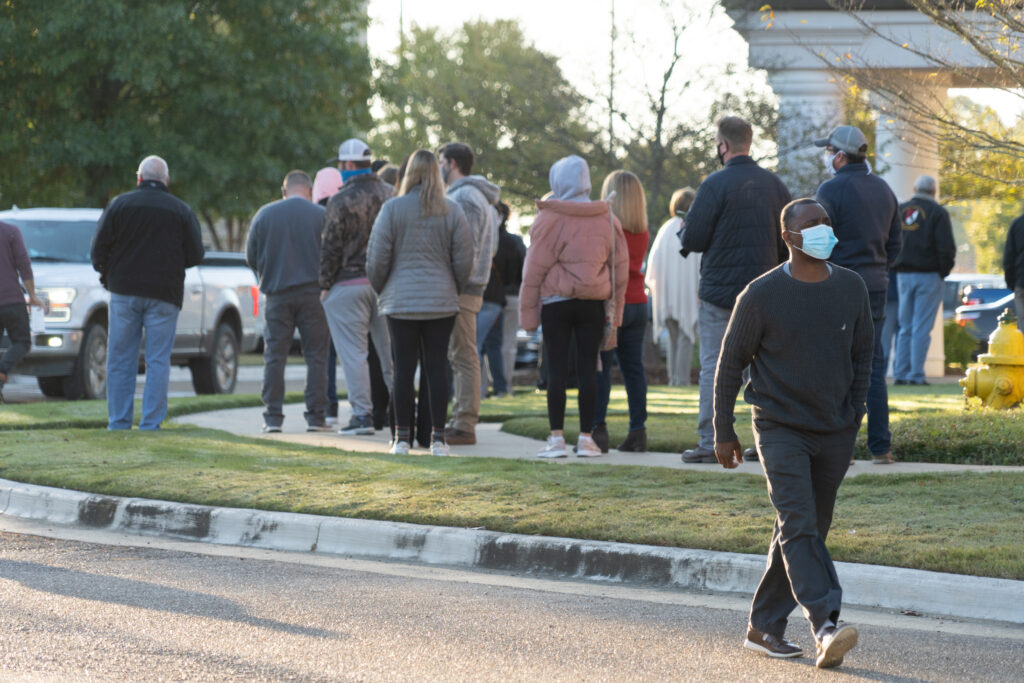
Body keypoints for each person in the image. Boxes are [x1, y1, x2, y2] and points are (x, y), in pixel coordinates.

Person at [714, 198, 871, 670]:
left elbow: (864, 355)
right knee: (799, 523)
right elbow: (729, 365)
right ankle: (826, 626)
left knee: (804, 529)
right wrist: (723, 429)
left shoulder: (851, 286)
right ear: (788, 237)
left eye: (826, 221)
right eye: (811, 223)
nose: (823, 229)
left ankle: (763, 627)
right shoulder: (760, 295)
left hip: (835, 428)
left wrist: (855, 413)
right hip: (779, 426)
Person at [680, 116, 791, 463]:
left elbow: (694, 239)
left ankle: (711, 441)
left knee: (714, 367)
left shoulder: (714, 185)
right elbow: (787, 242)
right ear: (749, 142)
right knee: (767, 369)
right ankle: (769, 441)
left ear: (723, 145)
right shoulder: (775, 186)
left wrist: (685, 229)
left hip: (719, 294)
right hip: (764, 293)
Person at [366, 149, 473, 457]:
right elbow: (464, 259)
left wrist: (384, 289)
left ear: (408, 173)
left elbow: (377, 259)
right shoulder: (452, 210)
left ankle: (401, 439)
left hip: (400, 301)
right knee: (437, 368)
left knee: (402, 369)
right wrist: (453, 288)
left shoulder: (392, 209)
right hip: (441, 301)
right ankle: (438, 439)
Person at [520, 155, 628, 459]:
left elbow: (533, 271)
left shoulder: (549, 219)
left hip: (556, 303)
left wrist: (528, 316)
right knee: (588, 370)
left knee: (555, 370)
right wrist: (616, 314)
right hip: (592, 304)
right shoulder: (607, 218)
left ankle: (556, 439)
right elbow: (619, 270)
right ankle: (585, 438)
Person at [90, 155, 204, 430]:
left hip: (124, 291)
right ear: (166, 180)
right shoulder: (181, 211)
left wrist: (108, 273)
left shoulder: (119, 205)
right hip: (165, 294)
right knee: (158, 360)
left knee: (120, 359)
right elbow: (196, 254)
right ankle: (151, 424)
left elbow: (97, 251)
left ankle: (118, 422)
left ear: (139, 178)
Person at [813, 125, 902, 464]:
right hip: (876, 286)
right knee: (873, 365)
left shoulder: (830, 190)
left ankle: (842, 449)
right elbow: (896, 245)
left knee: (837, 365)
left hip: (839, 286)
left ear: (839, 156)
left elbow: (818, 243)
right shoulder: (884, 189)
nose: (826, 157)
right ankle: (880, 447)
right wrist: (878, 267)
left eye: (828, 151)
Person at [245, 170, 331, 433]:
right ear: (309, 191)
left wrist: (268, 273)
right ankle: (316, 417)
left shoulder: (265, 215)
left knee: (275, 356)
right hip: (313, 294)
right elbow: (332, 254)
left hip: (277, 294)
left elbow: (251, 256)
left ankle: (272, 417)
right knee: (316, 356)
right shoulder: (321, 215)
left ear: (284, 191)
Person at [319, 138, 395, 435]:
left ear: (349, 165)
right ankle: (404, 413)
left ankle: (362, 415)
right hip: (386, 285)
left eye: (341, 165)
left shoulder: (340, 200)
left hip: (347, 284)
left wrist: (325, 285)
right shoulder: (391, 195)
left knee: (354, 355)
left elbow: (330, 248)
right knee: (391, 355)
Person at [438, 141, 502, 445]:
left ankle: (464, 424)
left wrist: (453, 282)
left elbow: (467, 248)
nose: (439, 168)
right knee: (461, 354)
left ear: (451, 163)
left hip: (463, 287)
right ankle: (460, 420)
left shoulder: (464, 197)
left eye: (441, 162)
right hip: (469, 285)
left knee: (463, 355)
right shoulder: (477, 197)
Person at [593, 170, 650, 453]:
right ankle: (638, 430)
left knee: (602, 369)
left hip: (614, 303)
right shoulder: (642, 230)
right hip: (639, 301)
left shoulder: (608, 227)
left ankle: (598, 429)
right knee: (633, 370)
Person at [892, 174, 956, 385]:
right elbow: (946, 247)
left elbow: (891, 239)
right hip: (928, 275)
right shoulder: (937, 212)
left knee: (904, 327)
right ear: (933, 191)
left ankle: (900, 373)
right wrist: (943, 271)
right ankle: (916, 374)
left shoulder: (901, 210)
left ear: (914, 189)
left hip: (902, 275)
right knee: (921, 327)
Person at [646, 187, 699, 387]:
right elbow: (699, 263)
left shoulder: (665, 230)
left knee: (674, 338)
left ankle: (673, 380)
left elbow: (653, 265)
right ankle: (681, 381)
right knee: (685, 338)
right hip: (687, 295)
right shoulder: (691, 229)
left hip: (666, 294)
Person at [481, 201, 526, 397]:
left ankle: (482, 388)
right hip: (511, 296)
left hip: (489, 296)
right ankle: (503, 387)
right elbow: (524, 269)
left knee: (481, 344)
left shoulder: (485, 241)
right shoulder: (514, 242)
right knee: (507, 345)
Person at [311, 166, 345, 424]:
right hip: (345, 285)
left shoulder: (313, 216)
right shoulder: (343, 212)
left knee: (325, 353)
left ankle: (328, 406)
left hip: (321, 289)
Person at [0, 220, 46, 401]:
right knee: (22, 342)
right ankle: (2, 370)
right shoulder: (10, 231)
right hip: (11, 299)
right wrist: (33, 296)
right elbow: (24, 265)